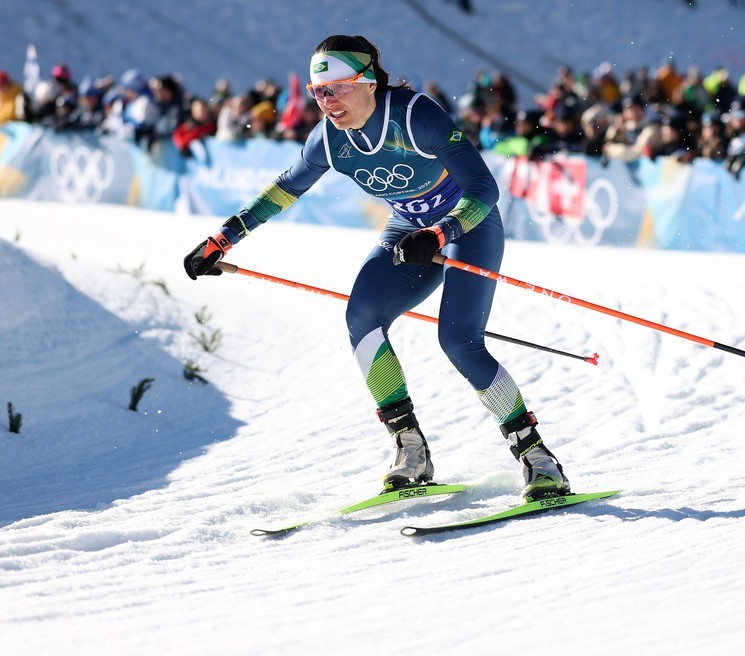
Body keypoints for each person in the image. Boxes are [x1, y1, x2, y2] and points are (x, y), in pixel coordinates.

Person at [183, 34, 570, 500]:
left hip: (466, 228)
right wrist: (224, 238)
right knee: (361, 319)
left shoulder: (414, 115)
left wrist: (440, 234)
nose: (327, 102)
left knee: (458, 341)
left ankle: (537, 456)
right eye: (318, 92)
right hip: (408, 230)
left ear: (367, 81)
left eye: (337, 88)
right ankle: (410, 447)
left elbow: (484, 189)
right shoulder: (327, 137)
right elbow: (286, 188)